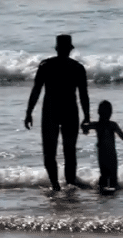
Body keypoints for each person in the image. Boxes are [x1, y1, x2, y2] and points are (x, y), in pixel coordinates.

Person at [24, 34, 91, 191]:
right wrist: (87, 116)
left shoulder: (46, 65)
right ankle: (70, 184)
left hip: (50, 111)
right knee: (70, 151)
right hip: (70, 111)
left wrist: (29, 112)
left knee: (49, 151)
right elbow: (83, 95)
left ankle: (55, 184)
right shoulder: (77, 67)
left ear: (57, 48)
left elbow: (36, 90)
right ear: (70, 49)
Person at [82, 100, 123, 191]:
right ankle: (102, 188)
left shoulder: (107, 125)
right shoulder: (101, 125)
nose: (107, 114)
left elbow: (122, 136)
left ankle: (105, 188)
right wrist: (85, 126)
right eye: (107, 112)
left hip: (110, 154)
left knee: (111, 176)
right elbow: (122, 136)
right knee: (105, 175)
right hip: (105, 154)